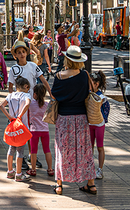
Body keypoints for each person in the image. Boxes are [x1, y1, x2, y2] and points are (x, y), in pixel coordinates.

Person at [51, 46, 96, 196]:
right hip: (81, 118)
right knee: (84, 150)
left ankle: (59, 185)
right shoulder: (84, 75)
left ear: (66, 59)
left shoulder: (59, 76)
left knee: (62, 150)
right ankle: (91, 184)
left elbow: (54, 95)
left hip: (64, 118)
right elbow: (89, 92)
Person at [0, 76, 32, 182]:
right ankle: (18, 174)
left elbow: (1, 105)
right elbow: (27, 104)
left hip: (12, 125)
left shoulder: (10, 95)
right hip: (21, 126)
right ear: (26, 86)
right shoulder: (26, 95)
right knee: (20, 151)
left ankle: (10, 171)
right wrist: (20, 115)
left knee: (11, 148)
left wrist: (9, 117)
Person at [28, 82, 53, 177]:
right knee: (47, 149)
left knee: (34, 151)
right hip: (45, 130)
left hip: (34, 130)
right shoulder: (47, 104)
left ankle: (33, 170)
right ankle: (50, 169)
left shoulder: (31, 104)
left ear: (35, 94)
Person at [89, 71, 110, 180]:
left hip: (99, 124)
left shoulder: (101, 97)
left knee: (100, 147)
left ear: (97, 84)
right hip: (89, 124)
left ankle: (100, 169)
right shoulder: (87, 94)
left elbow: (106, 110)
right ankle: (90, 167)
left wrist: (103, 119)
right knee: (90, 146)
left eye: (91, 83)